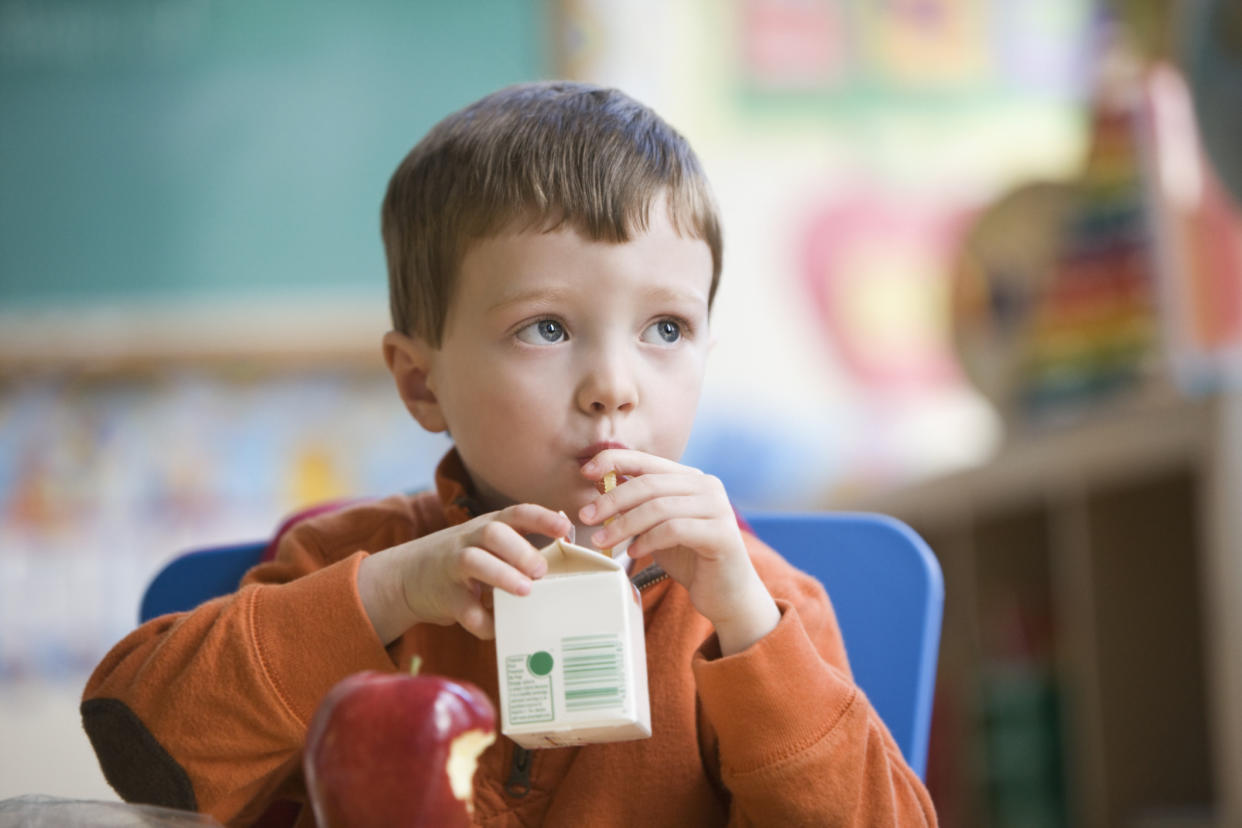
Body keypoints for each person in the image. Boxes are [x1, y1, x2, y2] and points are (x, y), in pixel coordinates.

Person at [81, 81, 937, 826]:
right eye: (547, 328)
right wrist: (384, 595)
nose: (614, 384)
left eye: (665, 328)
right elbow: (144, 755)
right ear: (421, 384)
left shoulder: (759, 606)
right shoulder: (349, 565)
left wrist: (750, 632)